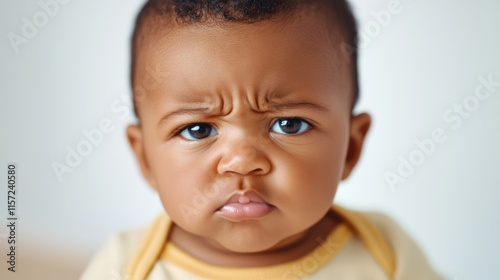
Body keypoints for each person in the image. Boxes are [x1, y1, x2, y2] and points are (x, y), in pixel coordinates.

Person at [82, 0, 443, 279]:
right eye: (198, 130)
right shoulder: (125, 265)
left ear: (350, 148)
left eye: (288, 125)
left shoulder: (385, 251)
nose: (241, 161)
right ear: (145, 158)